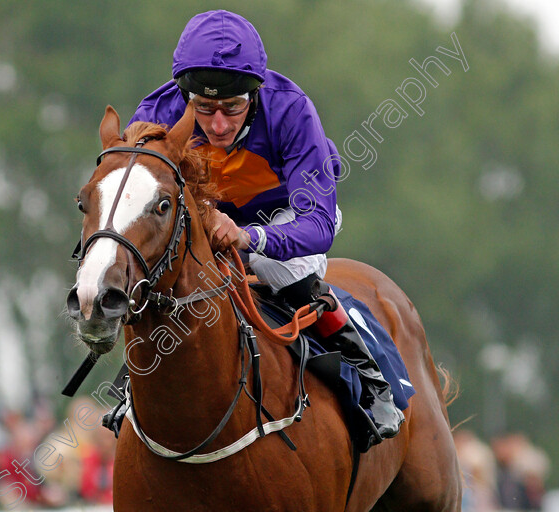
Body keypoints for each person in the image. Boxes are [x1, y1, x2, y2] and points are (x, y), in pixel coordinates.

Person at [129, 9, 403, 450]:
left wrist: (249, 237)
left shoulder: (292, 110)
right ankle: (133, 382)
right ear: (185, 96)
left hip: (291, 214)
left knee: (279, 271)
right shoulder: (156, 113)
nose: (218, 125)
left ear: (255, 95)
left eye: (232, 108)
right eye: (204, 108)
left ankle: (368, 376)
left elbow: (317, 226)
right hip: (206, 215)